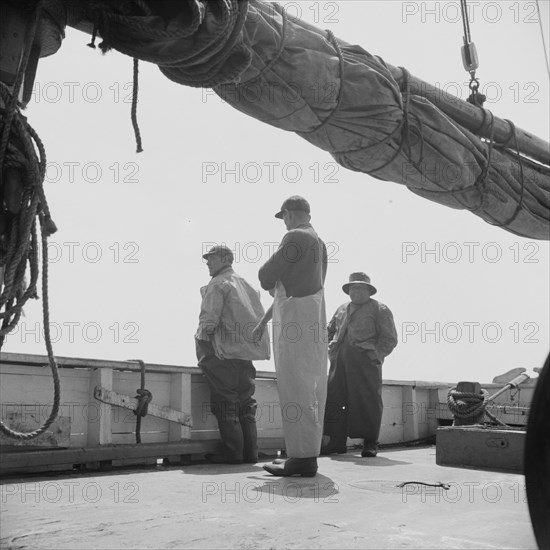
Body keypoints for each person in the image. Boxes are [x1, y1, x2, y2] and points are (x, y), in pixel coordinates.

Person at [255, 196, 328, 477]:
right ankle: (305, 454)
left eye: (283, 216)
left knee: (294, 385)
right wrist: (264, 320)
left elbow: (266, 274)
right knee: (311, 386)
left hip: (295, 320)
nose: (283, 223)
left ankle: (302, 458)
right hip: (312, 319)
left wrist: (268, 283)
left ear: (288, 214)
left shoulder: (295, 236)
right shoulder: (319, 243)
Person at [195, 244, 270, 464]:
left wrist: (201, 342)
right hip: (245, 354)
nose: (207, 262)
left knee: (225, 401)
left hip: (221, 353)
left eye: (211, 258)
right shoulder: (247, 285)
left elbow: (208, 323)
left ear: (225, 259)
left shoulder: (218, 283)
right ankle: (250, 453)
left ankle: (233, 454)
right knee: (245, 402)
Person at [322, 272, 398, 458]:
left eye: (361, 287)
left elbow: (389, 339)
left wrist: (375, 355)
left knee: (368, 401)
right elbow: (329, 329)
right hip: (339, 360)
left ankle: (371, 442)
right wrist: (329, 345)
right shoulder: (341, 309)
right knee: (334, 398)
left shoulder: (380, 309)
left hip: (365, 361)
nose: (356, 291)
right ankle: (334, 442)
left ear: (369, 291)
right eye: (353, 287)